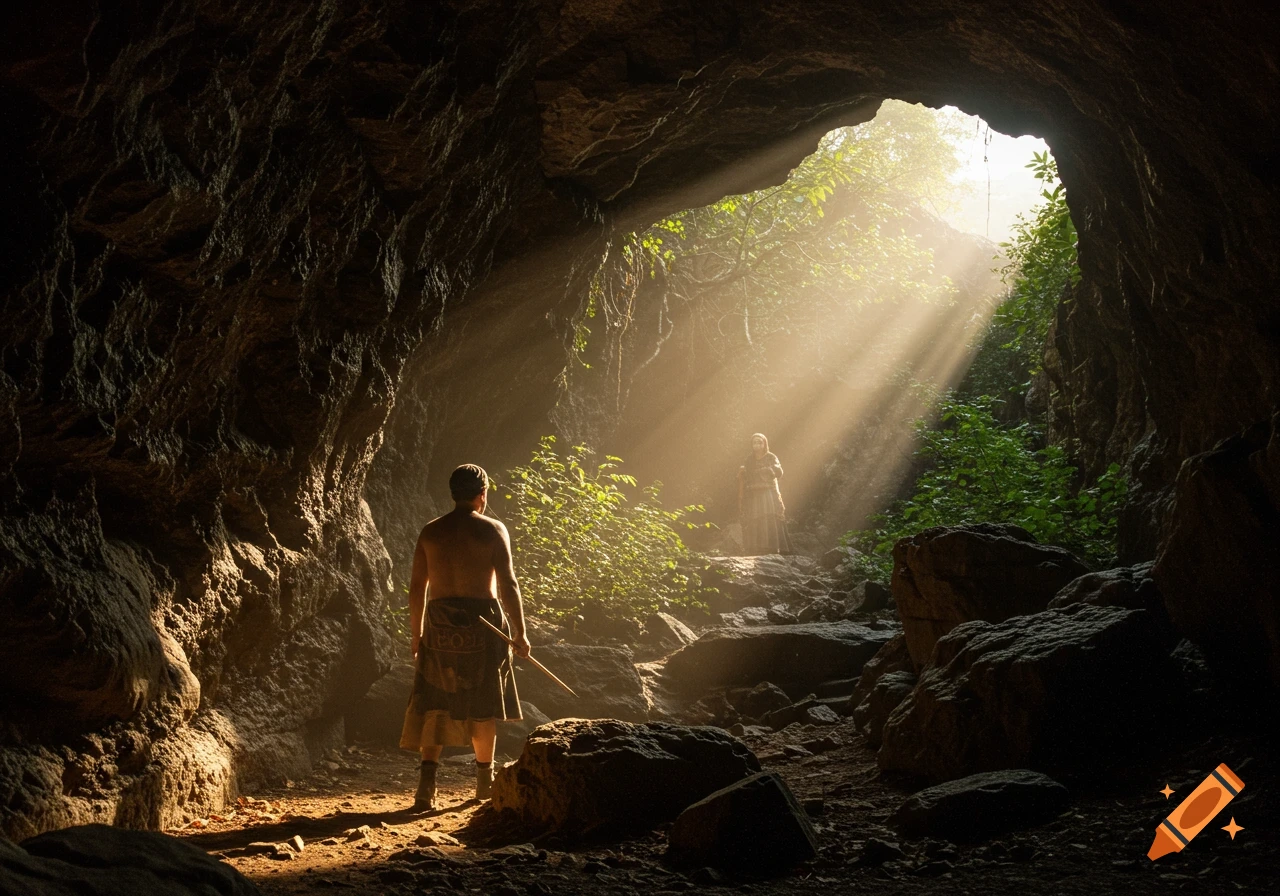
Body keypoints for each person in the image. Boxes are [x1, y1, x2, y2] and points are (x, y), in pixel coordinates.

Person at [399, 464, 531, 811]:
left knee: (435, 703)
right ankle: (484, 784)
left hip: (439, 625)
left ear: (453, 492)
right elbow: (508, 584)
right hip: (481, 626)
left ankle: (426, 786)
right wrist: (520, 632)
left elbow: (416, 589)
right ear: (481, 494)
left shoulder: (431, 531)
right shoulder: (492, 529)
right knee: (483, 706)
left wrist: (417, 634)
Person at [737, 433, 792, 555]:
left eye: (759, 442)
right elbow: (746, 475)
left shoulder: (771, 457)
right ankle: (756, 547)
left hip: (767, 493)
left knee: (769, 517)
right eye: (754, 443)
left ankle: (772, 547)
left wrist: (765, 471)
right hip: (753, 493)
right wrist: (743, 472)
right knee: (755, 517)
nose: (757, 445)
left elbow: (779, 471)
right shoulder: (749, 459)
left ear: (764, 443)